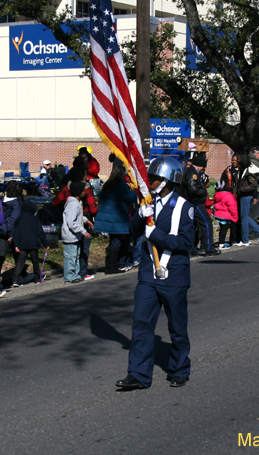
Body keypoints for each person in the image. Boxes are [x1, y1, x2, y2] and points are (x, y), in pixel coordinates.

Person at [115, 157, 194, 390]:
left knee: (177, 326)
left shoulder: (184, 207)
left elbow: (186, 242)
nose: (149, 181)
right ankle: (138, 373)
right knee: (141, 323)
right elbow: (132, 231)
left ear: (167, 181)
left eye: (154, 178)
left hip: (174, 273)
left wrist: (156, 235)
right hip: (149, 273)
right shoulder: (147, 203)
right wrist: (140, 216)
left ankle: (179, 369)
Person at [95, 163, 138, 274]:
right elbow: (130, 198)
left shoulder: (108, 184)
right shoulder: (121, 185)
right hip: (116, 218)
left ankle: (109, 265)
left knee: (113, 241)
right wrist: (135, 191)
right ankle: (112, 266)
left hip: (107, 218)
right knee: (116, 242)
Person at [182, 155, 218, 256]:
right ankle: (209, 248)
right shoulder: (193, 173)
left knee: (192, 226)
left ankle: (191, 249)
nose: (204, 168)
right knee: (206, 222)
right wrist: (203, 193)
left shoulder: (191, 172)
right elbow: (193, 189)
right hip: (195, 202)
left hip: (190, 203)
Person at [12, 192, 48, 286]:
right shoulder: (34, 219)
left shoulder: (19, 219)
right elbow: (40, 232)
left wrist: (16, 244)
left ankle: (16, 280)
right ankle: (37, 278)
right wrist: (45, 244)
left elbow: (16, 233)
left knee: (20, 262)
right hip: (33, 244)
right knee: (35, 262)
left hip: (22, 245)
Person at [62, 181, 91, 284]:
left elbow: (77, 216)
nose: (84, 192)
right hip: (70, 236)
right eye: (83, 191)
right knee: (71, 257)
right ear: (79, 192)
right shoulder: (73, 204)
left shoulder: (76, 203)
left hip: (75, 236)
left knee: (76, 256)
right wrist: (83, 231)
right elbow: (71, 222)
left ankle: (76, 274)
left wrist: (85, 220)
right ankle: (70, 276)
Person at [0, 180, 23, 288]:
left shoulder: (1, 200)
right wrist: (11, 235)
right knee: (18, 256)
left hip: (1, 230)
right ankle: (17, 278)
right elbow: (12, 220)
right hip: (12, 232)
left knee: (1, 256)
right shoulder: (16, 204)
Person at [234, 153, 259, 246]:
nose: (237, 161)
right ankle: (245, 239)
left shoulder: (249, 171)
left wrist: (240, 190)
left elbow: (253, 185)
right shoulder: (242, 170)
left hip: (246, 196)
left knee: (245, 217)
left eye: (238, 159)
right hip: (244, 195)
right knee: (244, 217)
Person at [212, 180, 238, 248]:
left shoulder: (216, 195)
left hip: (218, 215)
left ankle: (221, 242)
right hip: (227, 215)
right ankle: (232, 241)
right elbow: (233, 207)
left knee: (222, 229)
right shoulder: (229, 196)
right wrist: (235, 216)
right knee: (231, 228)